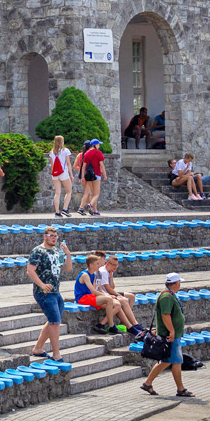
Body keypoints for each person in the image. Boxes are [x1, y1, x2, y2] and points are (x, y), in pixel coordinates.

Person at [140, 273, 193, 397]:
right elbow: (165, 315)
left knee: (166, 361)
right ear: (176, 283)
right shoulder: (167, 297)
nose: (180, 285)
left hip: (172, 334)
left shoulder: (169, 295)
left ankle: (147, 383)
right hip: (169, 335)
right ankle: (181, 389)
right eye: (179, 282)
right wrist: (172, 331)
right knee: (176, 361)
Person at [27, 226, 72, 360]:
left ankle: (38, 348)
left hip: (56, 291)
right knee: (55, 322)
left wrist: (68, 254)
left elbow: (67, 268)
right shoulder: (38, 251)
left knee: (54, 320)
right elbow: (30, 271)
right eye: (51, 235)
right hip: (44, 292)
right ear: (45, 236)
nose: (54, 238)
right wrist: (42, 285)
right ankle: (56, 354)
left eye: (55, 236)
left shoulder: (57, 251)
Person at [94, 253, 145, 336]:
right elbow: (108, 289)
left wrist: (111, 276)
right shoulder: (102, 272)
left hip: (108, 293)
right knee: (122, 301)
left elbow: (112, 287)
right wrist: (118, 295)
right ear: (108, 263)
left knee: (131, 297)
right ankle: (133, 324)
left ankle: (126, 323)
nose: (115, 267)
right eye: (114, 265)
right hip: (105, 294)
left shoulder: (109, 271)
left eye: (116, 265)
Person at [74, 254, 123, 334]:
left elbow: (97, 289)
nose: (99, 265)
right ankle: (111, 326)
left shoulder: (94, 274)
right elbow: (93, 290)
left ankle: (101, 324)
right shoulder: (85, 275)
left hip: (90, 296)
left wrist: (108, 295)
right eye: (97, 264)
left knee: (117, 305)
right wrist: (107, 296)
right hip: (82, 298)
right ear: (91, 265)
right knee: (109, 299)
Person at [76, 138, 107, 216]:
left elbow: (83, 166)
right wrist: (105, 174)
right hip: (96, 174)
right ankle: (90, 205)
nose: (99, 146)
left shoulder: (86, 153)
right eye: (98, 144)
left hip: (88, 175)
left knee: (90, 192)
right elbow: (102, 165)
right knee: (96, 194)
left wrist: (83, 176)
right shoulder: (98, 153)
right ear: (95, 145)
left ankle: (95, 211)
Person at [47, 136, 74, 217]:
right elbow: (68, 163)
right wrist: (71, 175)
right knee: (69, 191)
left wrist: (54, 173)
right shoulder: (65, 150)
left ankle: (57, 212)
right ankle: (65, 209)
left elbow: (52, 164)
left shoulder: (52, 151)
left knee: (57, 193)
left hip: (55, 174)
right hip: (63, 172)